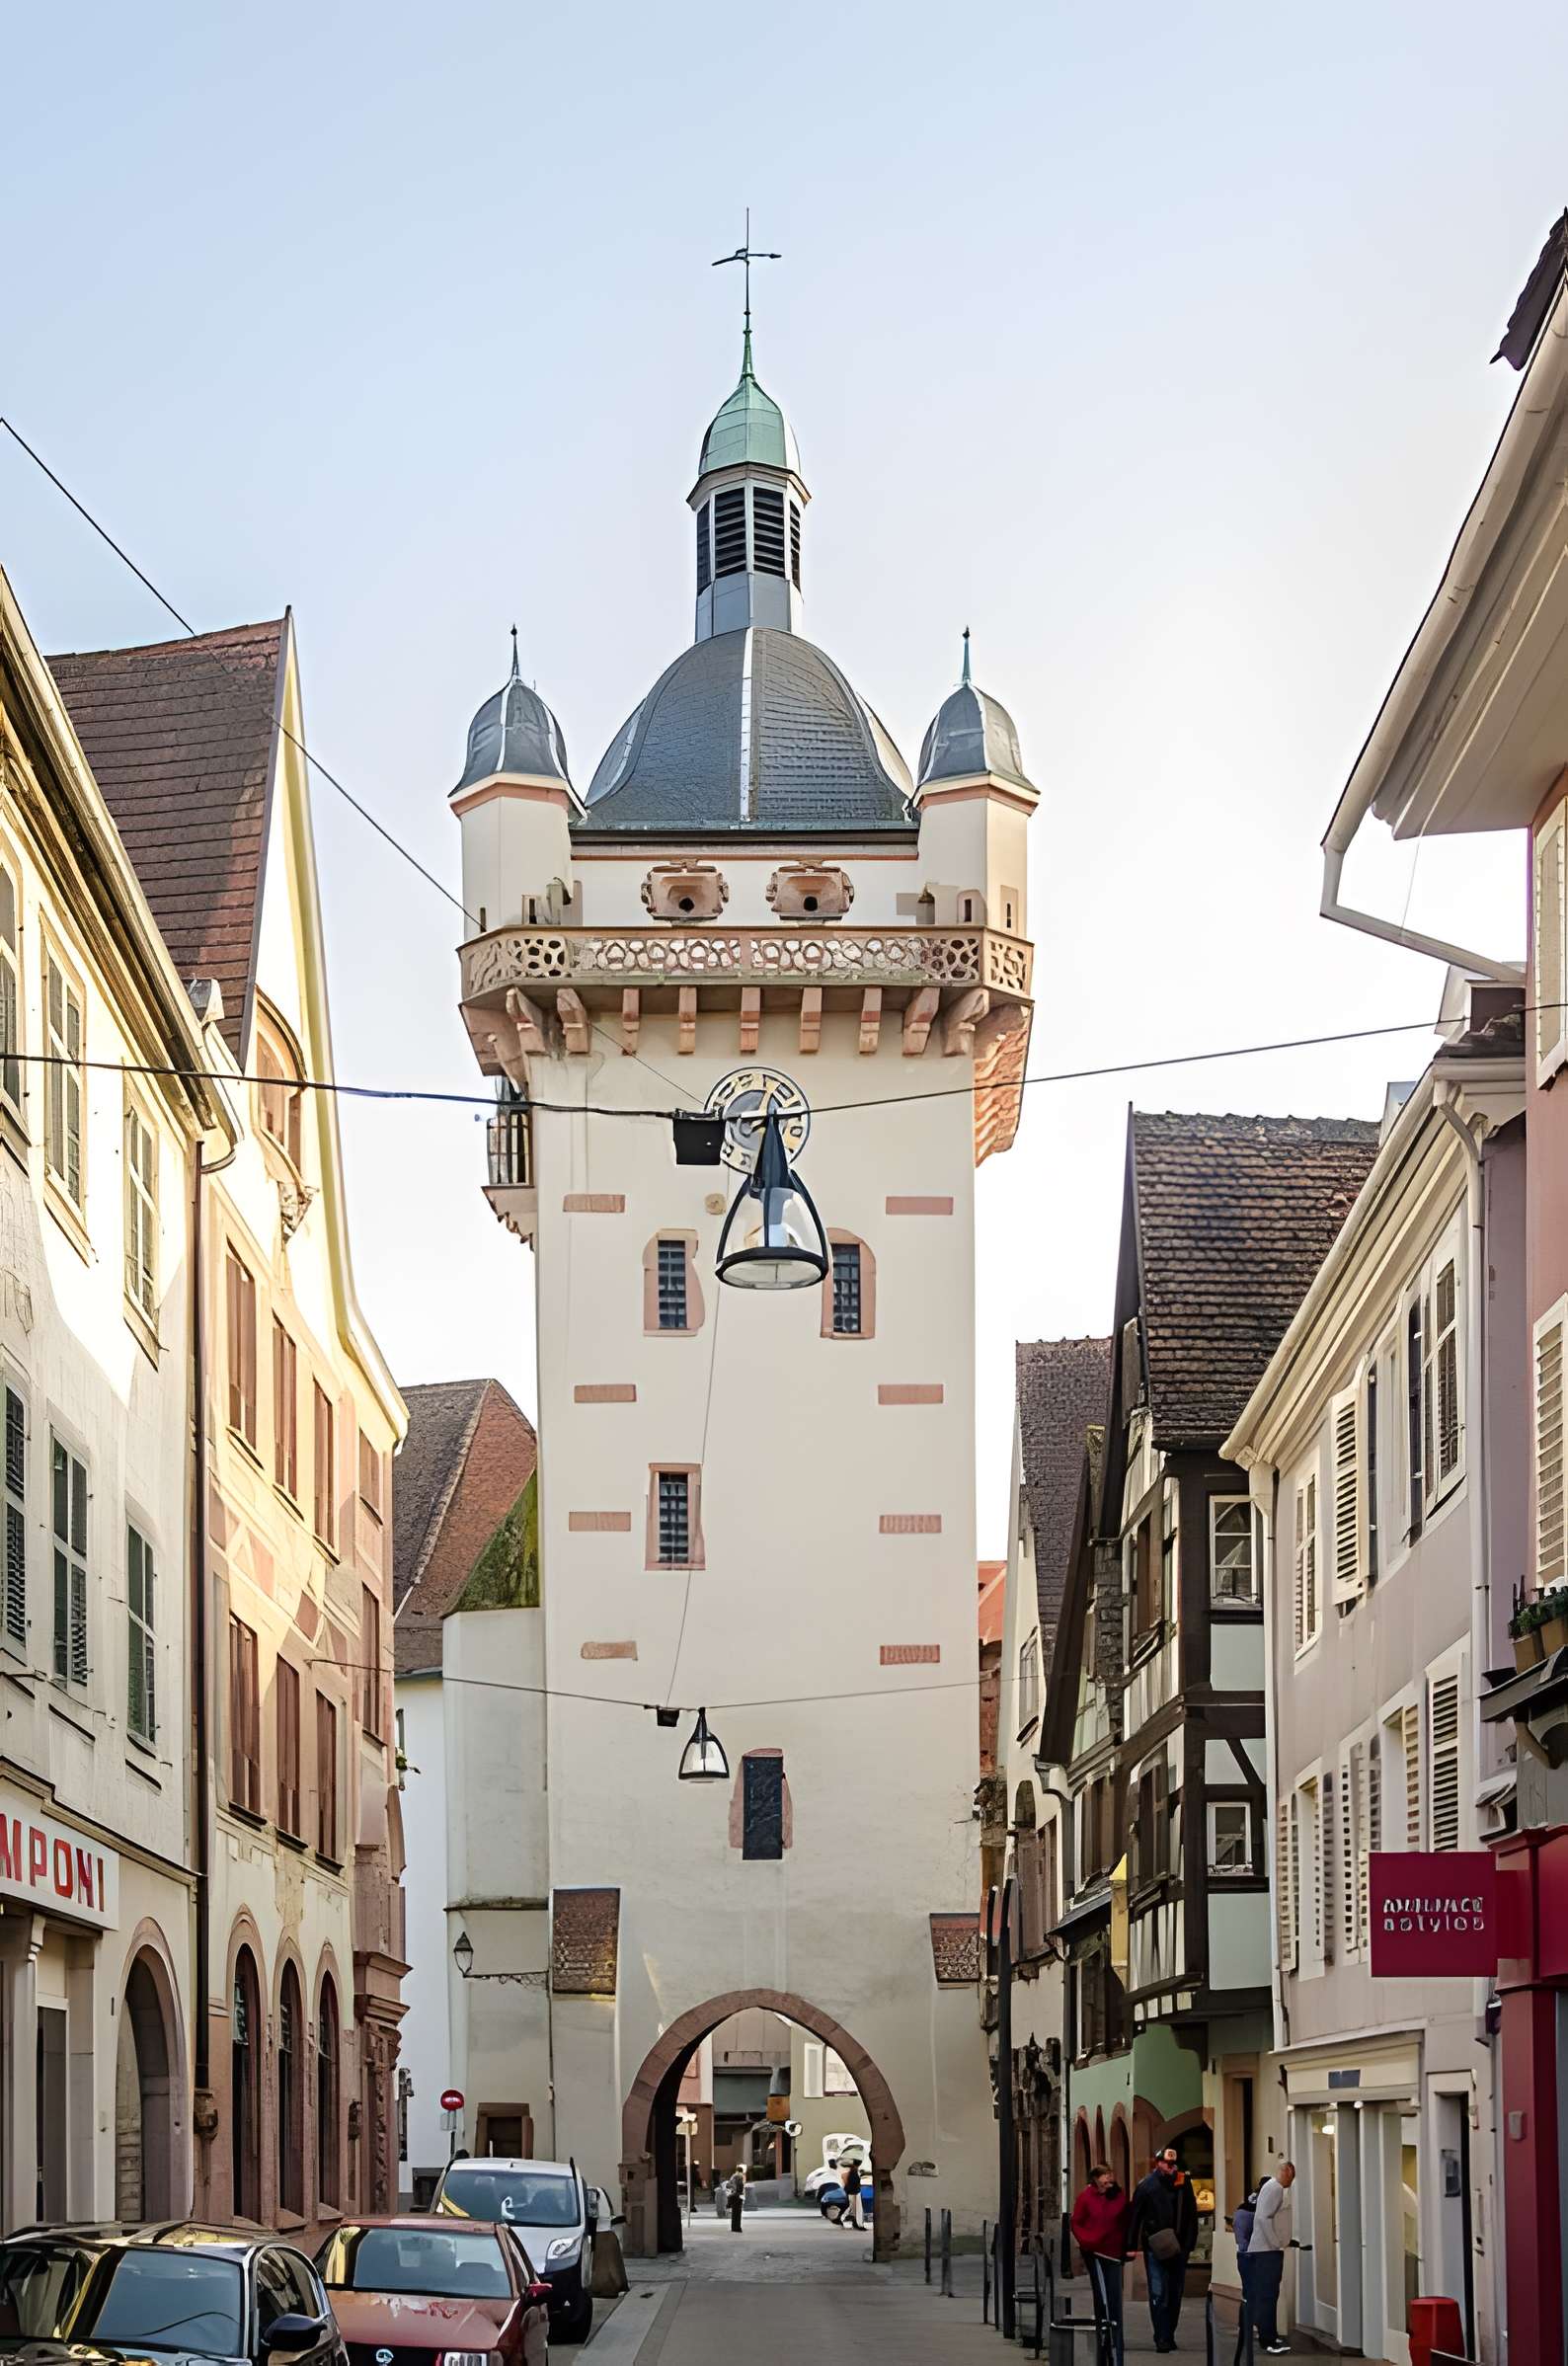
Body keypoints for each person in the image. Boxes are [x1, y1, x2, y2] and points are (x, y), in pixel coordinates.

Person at [1128, 2146, 1200, 2352]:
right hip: (1155, 2246)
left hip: (1179, 2246)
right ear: (1158, 2163)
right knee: (1159, 2293)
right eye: (1167, 2164)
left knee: (1175, 2293)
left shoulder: (1183, 2183)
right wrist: (1131, 2246)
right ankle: (1161, 2336)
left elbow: (1191, 2214)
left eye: (1173, 2164)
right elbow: (1135, 2217)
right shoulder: (1147, 2186)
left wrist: (1189, 2244)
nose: (1171, 2167)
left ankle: (1169, 2333)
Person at [1071, 2163, 1131, 2366]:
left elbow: (1125, 2220)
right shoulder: (1086, 2197)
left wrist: (1128, 2246)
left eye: (1110, 2175)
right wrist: (1087, 2241)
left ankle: (1116, 2336)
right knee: (1102, 2293)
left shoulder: (1118, 2196)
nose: (1109, 2179)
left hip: (1113, 2251)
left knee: (1115, 2294)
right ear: (1096, 2179)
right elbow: (1077, 2222)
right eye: (1105, 2176)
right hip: (1094, 2251)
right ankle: (1103, 2332)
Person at [1245, 2163, 1295, 2355]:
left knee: (1268, 2295)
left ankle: (1269, 2335)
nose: (1291, 2182)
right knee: (1268, 2295)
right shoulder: (1275, 2188)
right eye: (1291, 2176)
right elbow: (1263, 2218)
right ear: (1286, 2173)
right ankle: (1268, 2340)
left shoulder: (1271, 2187)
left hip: (1264, 2250)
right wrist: (1276, 2243)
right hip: (1266, 2251)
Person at [840, 2155, 866, 2231]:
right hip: (853, 2193)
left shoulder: (852, 2171)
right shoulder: (854, 2172)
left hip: (851, 2192)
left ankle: (854, 2222)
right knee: (854, 2209)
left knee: (853, 2209)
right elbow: (853, 2183)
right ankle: (855, 2223)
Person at [727, 2166, 745, 2234]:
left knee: (734, 2213)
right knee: (738, 2213)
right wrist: (741, 2193)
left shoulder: (733, 2177)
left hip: (732, 2196)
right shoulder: (739, 2176)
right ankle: (737, 2228)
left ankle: (733, 2227)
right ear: (741, 2171)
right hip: (737, 2196)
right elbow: (740, 2187)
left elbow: (728, 2185)